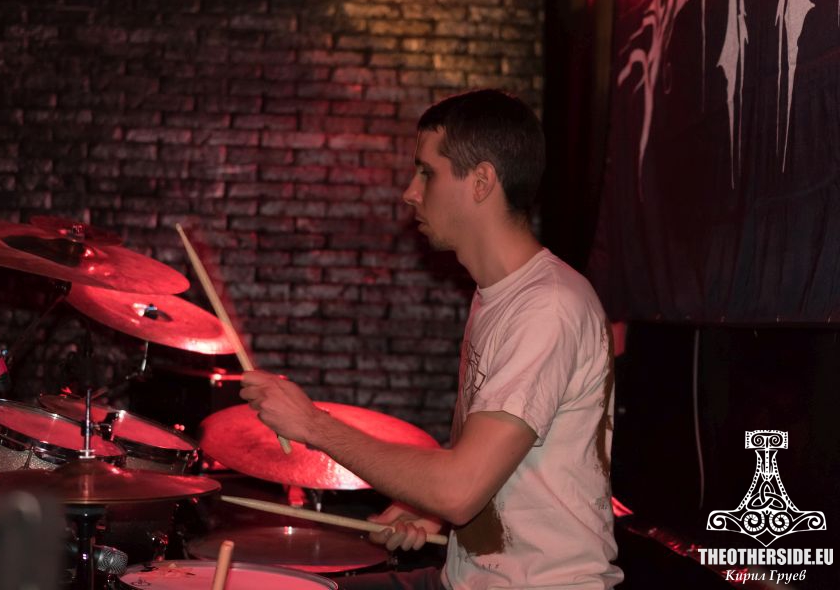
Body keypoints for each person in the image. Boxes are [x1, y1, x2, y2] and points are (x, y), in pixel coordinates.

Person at [240, 90, 623, 588]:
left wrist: (314, 425)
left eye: (427, 172)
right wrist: (425, 506)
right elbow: (489, 457)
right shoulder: (498, 294)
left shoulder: (547, 307)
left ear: (481, 182)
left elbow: (459, 490)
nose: (410, 192)